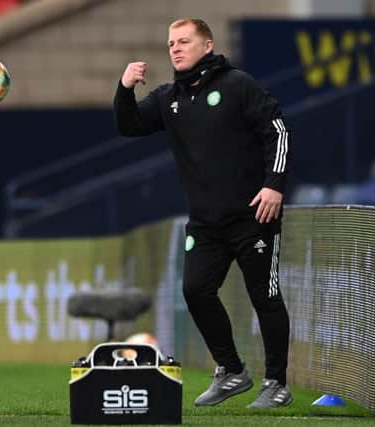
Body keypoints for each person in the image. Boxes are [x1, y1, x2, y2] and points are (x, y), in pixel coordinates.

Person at [114, 18, 292, 408]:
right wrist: (124, 88)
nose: (175, 48)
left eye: (183, 41)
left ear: (207, 45)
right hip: (205, 222)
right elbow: (129, 125)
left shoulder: (237, 85)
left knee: (265, 296)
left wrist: (274, 184)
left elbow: (277, 130)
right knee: (195, 290)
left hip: (253, 215)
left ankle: (276, 383)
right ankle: (231, 371)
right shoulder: (168, 98)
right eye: (170, 43)